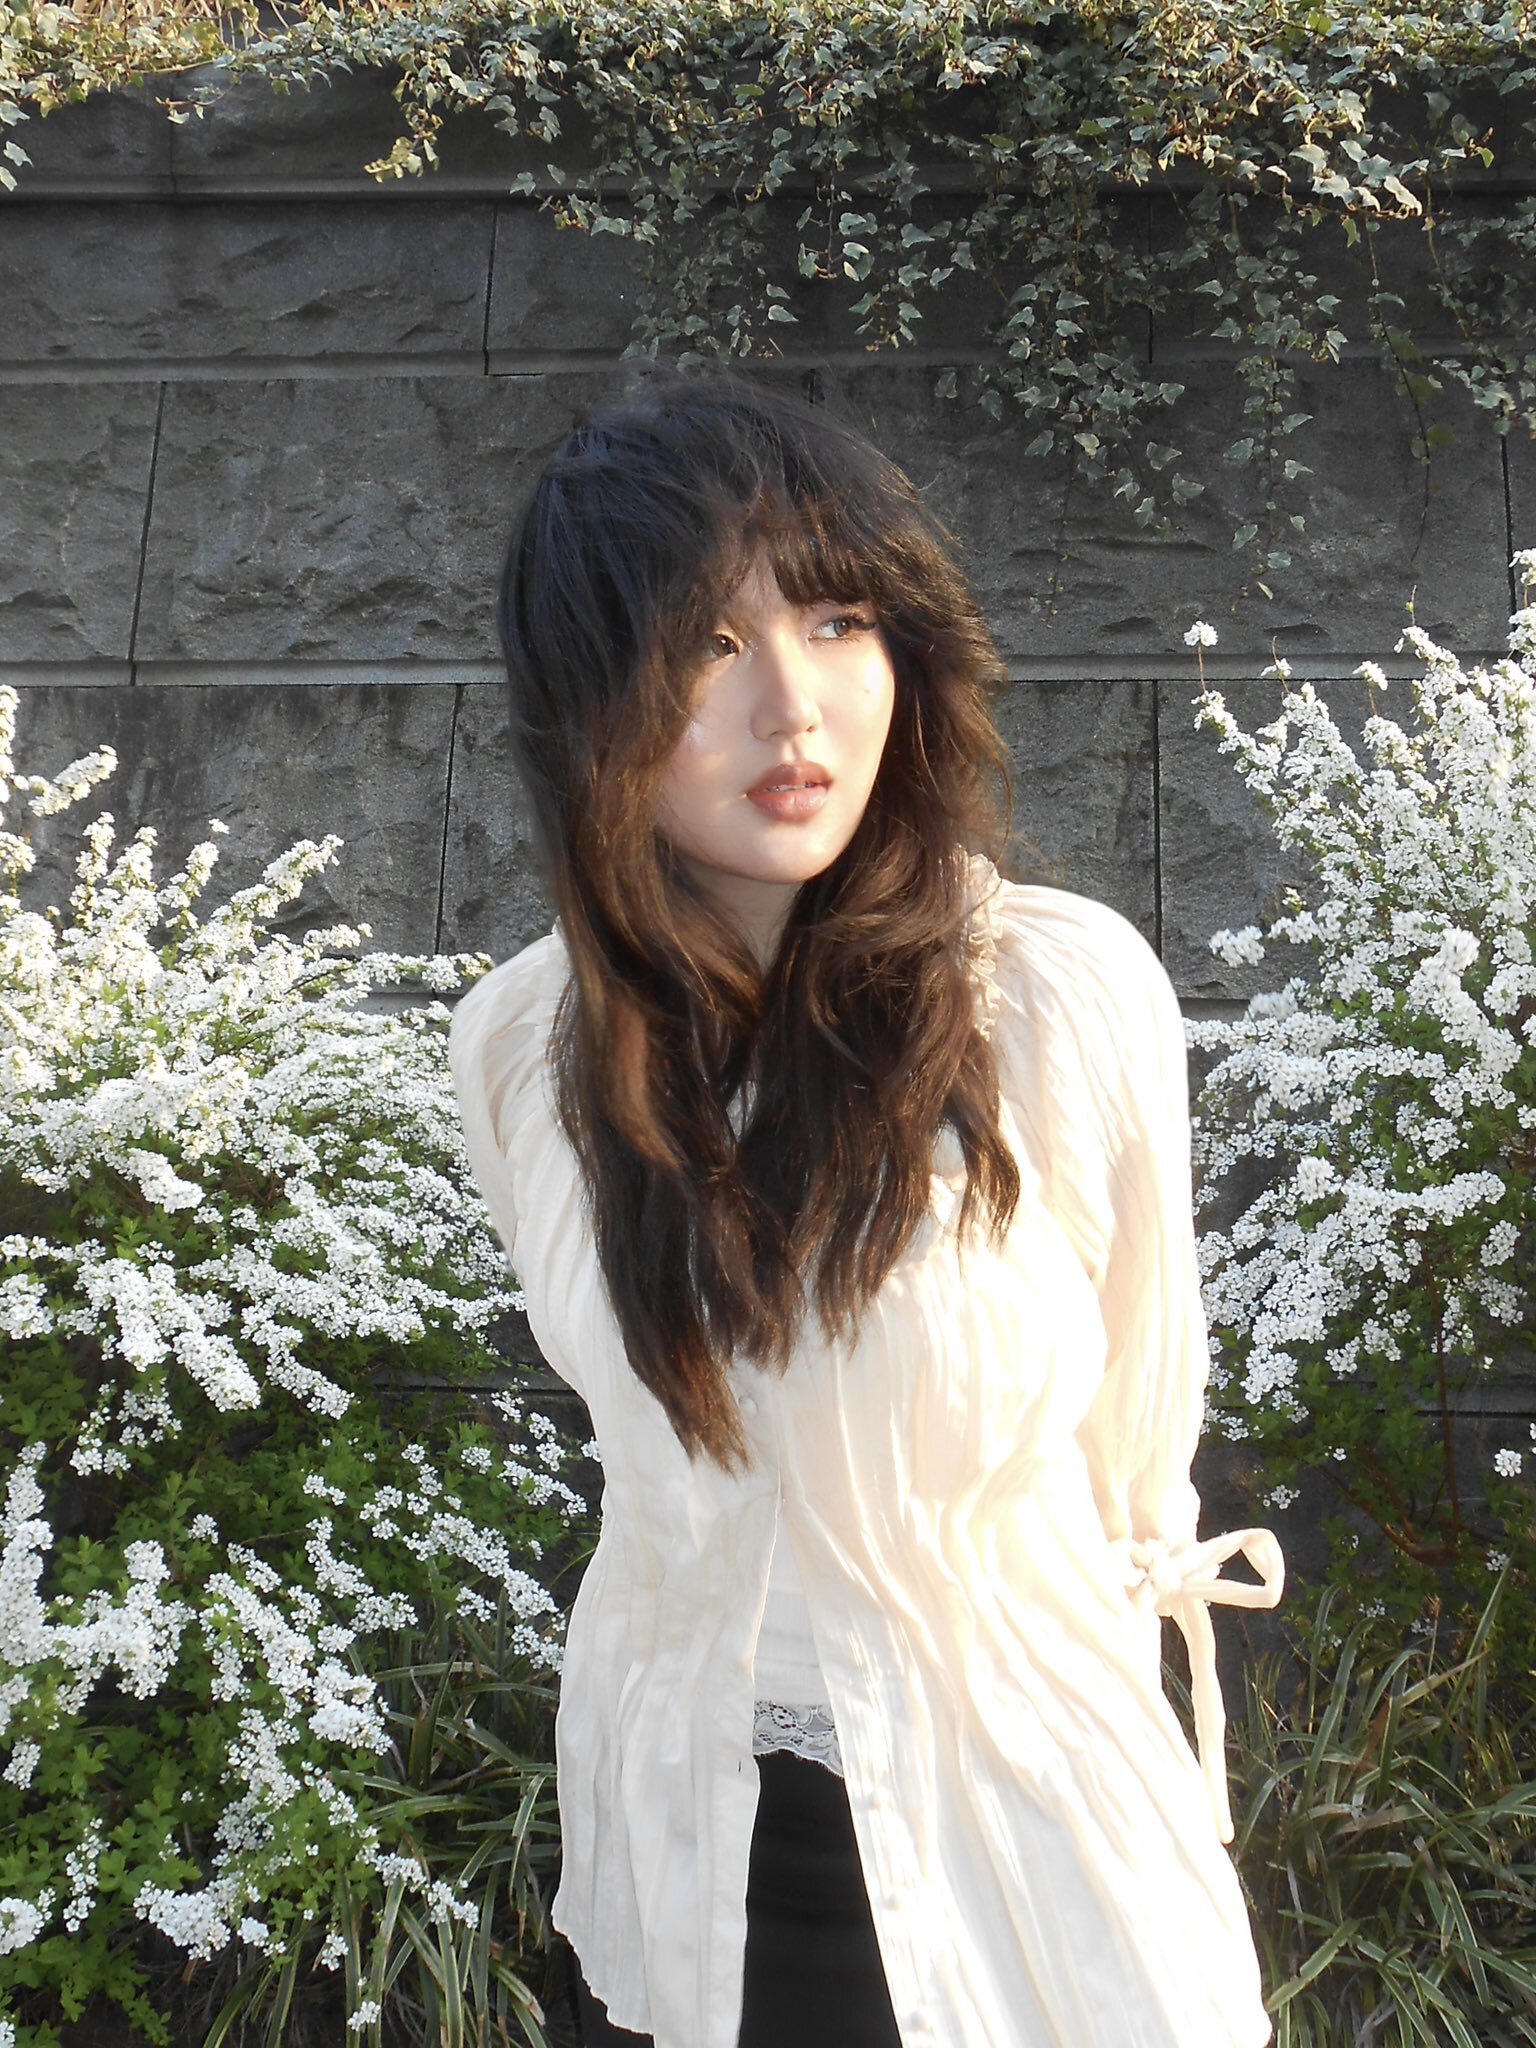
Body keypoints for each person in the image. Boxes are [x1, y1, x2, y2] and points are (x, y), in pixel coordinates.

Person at [447, 368, 1285, 2048]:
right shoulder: (521, 1046)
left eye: (837, 622)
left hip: (1029, 1862)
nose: (797, 710)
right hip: (685, 1867)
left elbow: (1138, 1445)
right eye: (709, 644)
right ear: (590, 700)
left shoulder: (1054, 995)